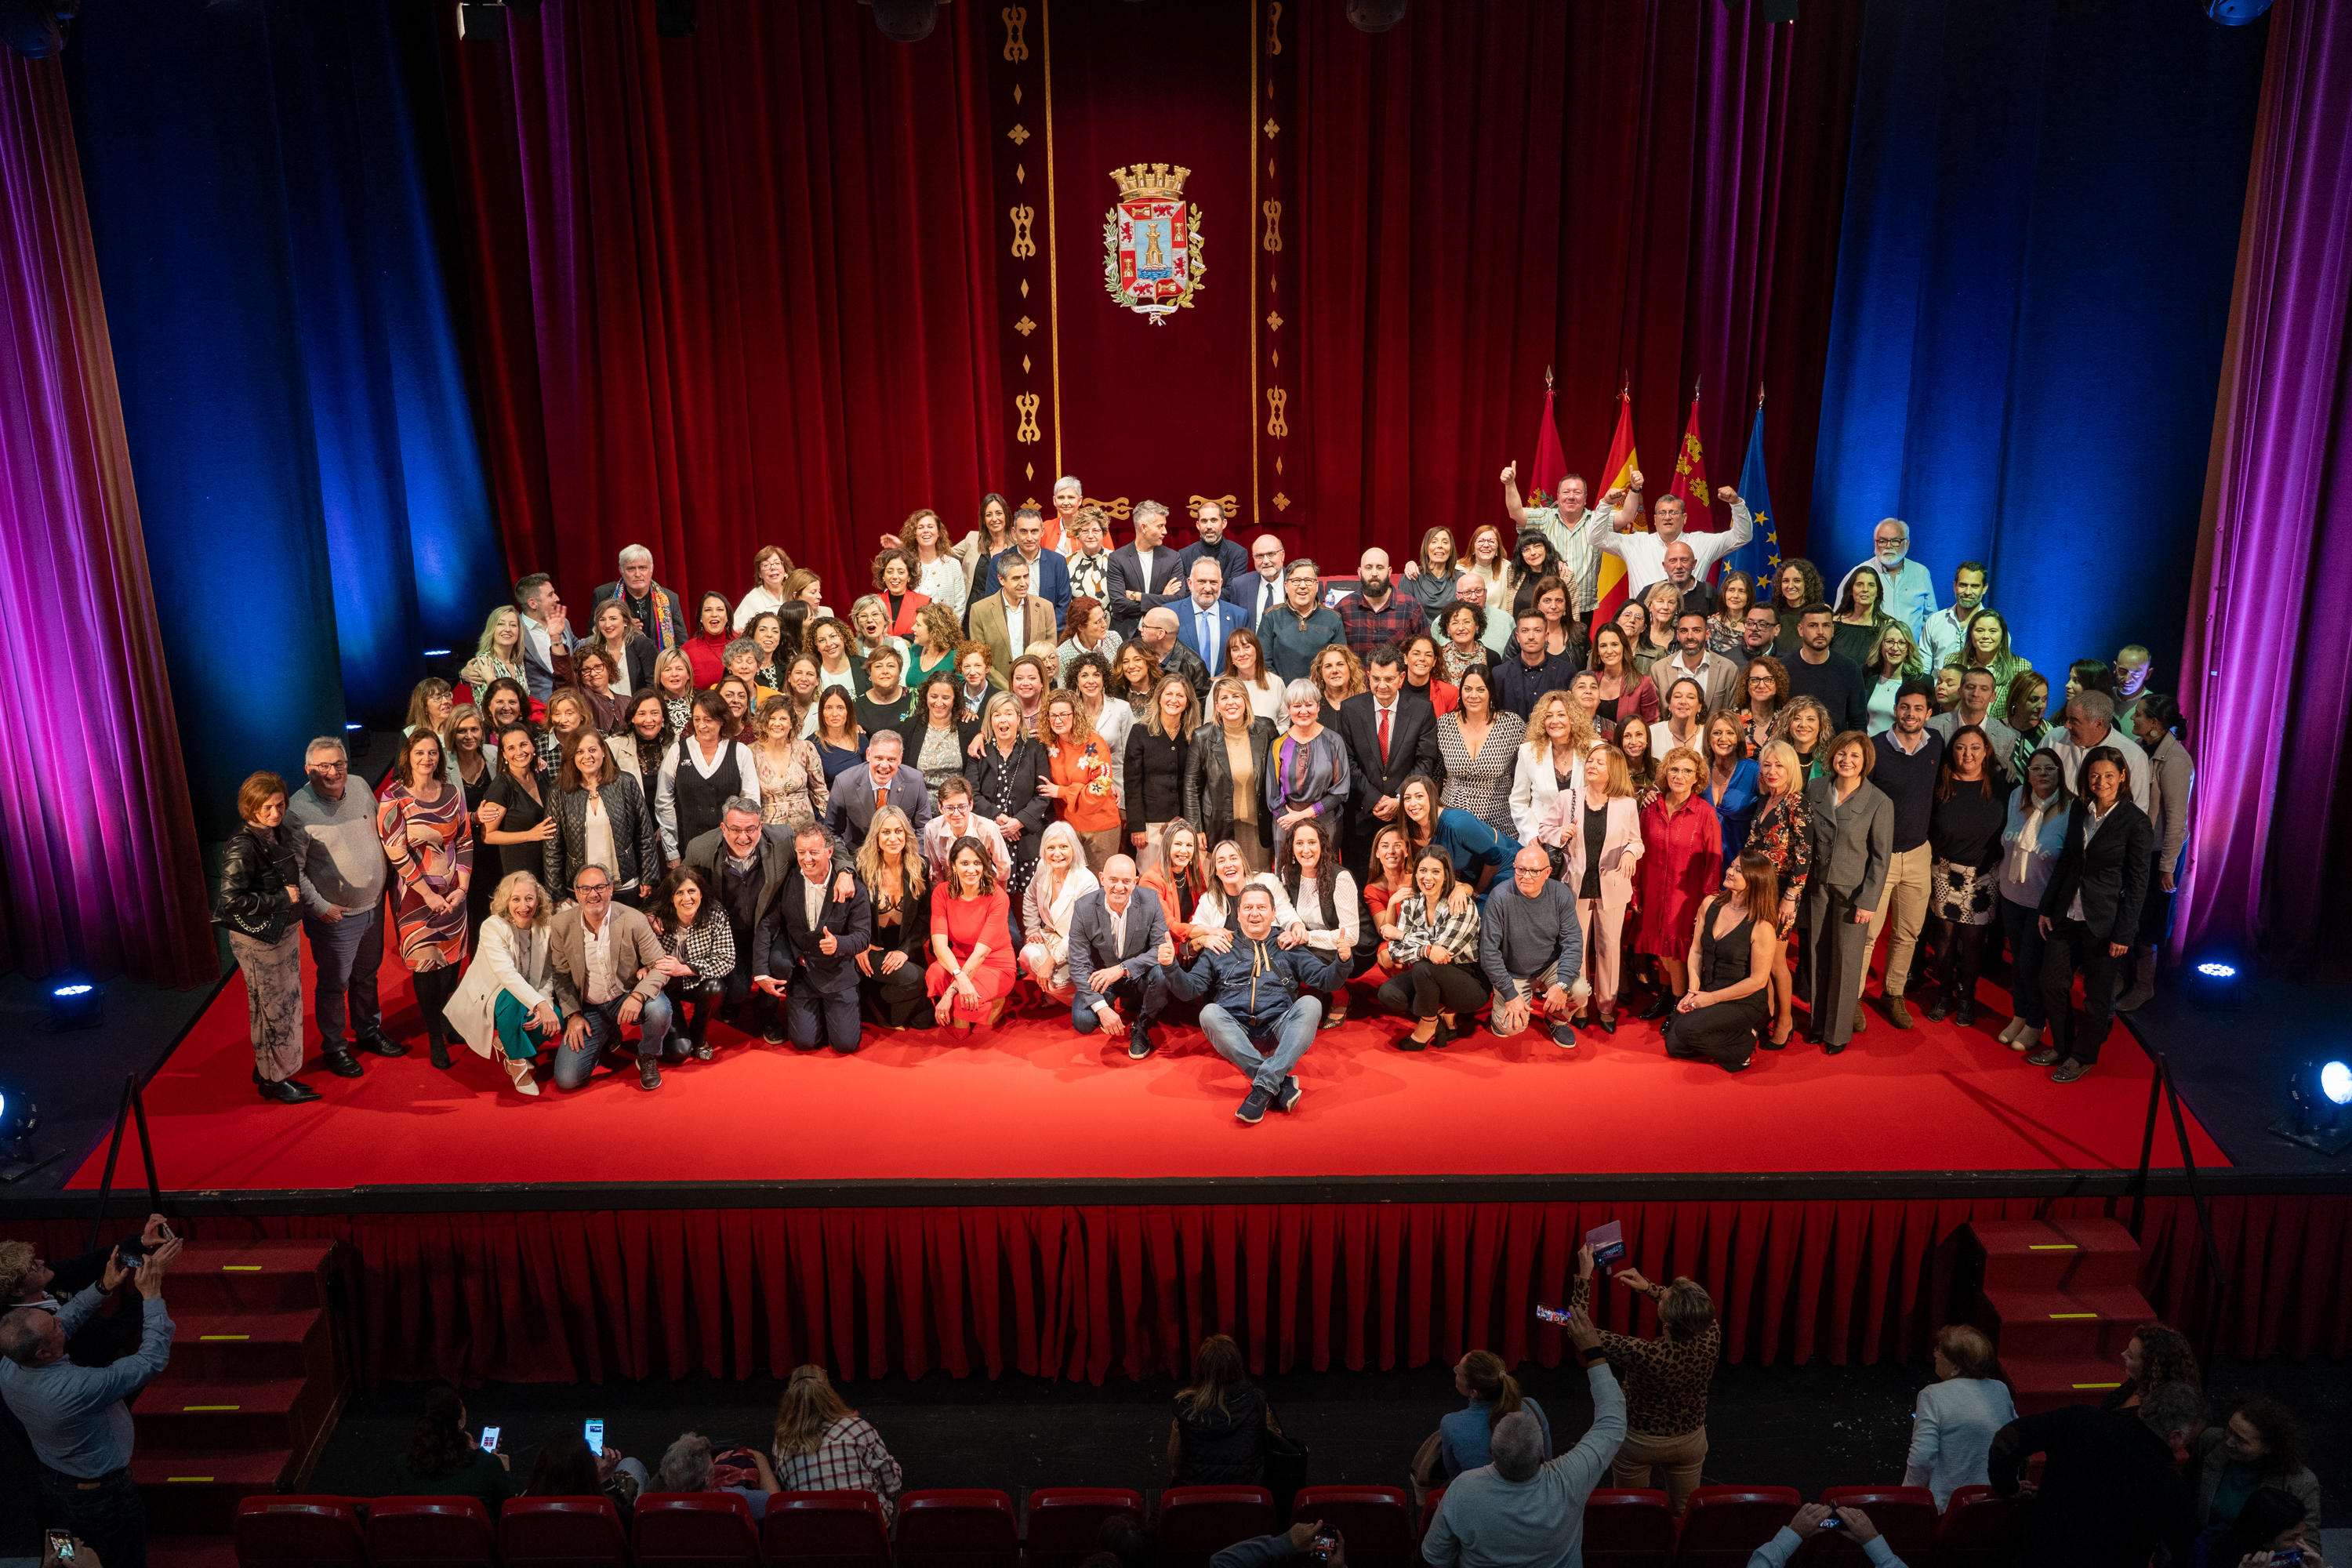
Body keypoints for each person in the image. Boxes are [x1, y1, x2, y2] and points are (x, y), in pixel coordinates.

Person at [0, 1228, 183, 1568]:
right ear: (43, 1352)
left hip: (55, 1488)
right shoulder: (78, 1387)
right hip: (102, 1498)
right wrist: (153, 1295)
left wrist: (103, 1287)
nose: (62, 1325)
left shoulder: (10, 1365)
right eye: (54, 1328)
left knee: (66, 1556)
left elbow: (66, 1320)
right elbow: (150, 1360)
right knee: (121, 1559)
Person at [1421, 1313, 1622, 1568]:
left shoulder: (1462, 1491)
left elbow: (1434, 1557)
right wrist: (1593, 1350)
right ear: (1540, 1453)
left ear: (1493, 1450)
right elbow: (1613, 1420)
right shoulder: (1571, 1479)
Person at [1162, 886, 1342, 1122]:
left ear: (1273, 912)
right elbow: (1189, 990)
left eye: (1261, 908)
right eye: (1247, 908)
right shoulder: (1221, 944)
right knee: (1209, 1013)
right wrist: (1170, 967)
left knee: (1311, 1004)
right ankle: (1279, 1081)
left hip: (1279, 1029)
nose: (1254, 913)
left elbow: (1327, 980)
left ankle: (1263, 1086)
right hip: (1237, 1032)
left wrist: (1343, 961)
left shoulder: (1286, 944)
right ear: (1238, 913)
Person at [1567, 1242, 1719, 1513]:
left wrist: (1585, 1276)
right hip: (1690, 1440)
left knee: (1632, 1509)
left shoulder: (1644, 1353)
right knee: (1685, 1512)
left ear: (1668, 1322)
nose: (1663, 1292)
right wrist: (1649, 1289)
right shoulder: (1712, 1333)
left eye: (1665, 1296)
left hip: (1638, 1442)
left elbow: (1580, 1328)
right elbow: (1690, 1311)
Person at [1987, 1381, 2202, 1568]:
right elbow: (2174, 1556)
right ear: (2174, 1436)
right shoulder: (2172, 1490)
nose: (2188, 1446)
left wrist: (2008, 1487)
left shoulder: (2080, 1420)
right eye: (2189, 1439)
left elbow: (2007, 1440)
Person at [2032, 748, 2151, 1083]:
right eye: (2095, 775)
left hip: (2105, 921)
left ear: (2123, 777)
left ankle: (2083, 1057)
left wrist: (2124, 935)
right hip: (2066, 913)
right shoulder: (2077, 810)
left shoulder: (2136, 822)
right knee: (2052, 982)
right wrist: (2046, 909)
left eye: (2109, 776)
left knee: (2097, 996)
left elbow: (2138, 882)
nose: (2101, 782)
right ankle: (2063, 1046)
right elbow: (2068, 863)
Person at [213, 775, 334, 1099]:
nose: (275, 812)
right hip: (261, 940)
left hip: (280, 933)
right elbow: (230, 900)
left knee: (281, 1004)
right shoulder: (243, 845)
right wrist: (282, 898)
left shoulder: (269, 832)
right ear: (250, 806)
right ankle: (273, 1080)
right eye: (266, 807)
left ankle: (270, 1069)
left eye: (280, 805)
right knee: (275, 1008)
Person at [286, 737, 404, 1069]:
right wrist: (320, 907)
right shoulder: (297, 811)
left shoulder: (360, 785)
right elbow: (292, 870)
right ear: (308, 770)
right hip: (336, 917)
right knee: (334, 984)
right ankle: (335, 1047)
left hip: (373, 906)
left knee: (367, 975)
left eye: (338, 764)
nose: (333, 772)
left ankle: (369, 1031)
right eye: (323, 766)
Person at [378, 731, 474, 1069]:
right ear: (408, 755)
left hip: (453, 890)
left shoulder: (451, 792)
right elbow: (397, 853)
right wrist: (430, 894)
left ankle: (446, 1018)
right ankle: (435, 1034)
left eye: (433, 753)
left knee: (450, 968)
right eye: (420, 752)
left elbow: (464, 840)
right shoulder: (393, 798)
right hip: (416, 897)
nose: (427, 759)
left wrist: (461, 888)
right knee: (426, 963)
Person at [547, 864, 675, 1091]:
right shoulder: (560, 925)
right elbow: (561, 976)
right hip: (590, 1008)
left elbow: (661, 966)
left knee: (659, 1009)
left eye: (600, 887)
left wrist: (637, 995)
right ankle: (606, 1034)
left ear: (611, 889)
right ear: (576, 893)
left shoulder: (633, 919)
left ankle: (647, 1055)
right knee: (568, 1080)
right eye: (585, 888)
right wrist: (573, 1015)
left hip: (624, 997)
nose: (593, 894)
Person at [1804, 731, 1893, 1052]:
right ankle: (1817, 1024)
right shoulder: (1815, 788)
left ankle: (1837, 1033)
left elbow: (1881, 859)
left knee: (1846, 961)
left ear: (1865, 761)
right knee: (1816, 956)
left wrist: (1869, 900)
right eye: (1842, 754)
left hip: (1854, 894)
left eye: (1855, 756)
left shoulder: (1879, 802)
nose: (1847, 761)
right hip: (1816, 887)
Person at [1862, 681, 1944, 1029]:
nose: (1911, 714)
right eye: (1905, 707)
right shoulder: (1874, 748)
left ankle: (1893, 994)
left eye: (1918, 708)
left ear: (1929, 713)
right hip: (1878, 857)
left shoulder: (1937, 744)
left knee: (1908, 932)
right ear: (1895, 710)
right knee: (1866, 934)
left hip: (1918, 854)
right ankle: (1850, 997)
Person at [1919, 727, 2011, 1025]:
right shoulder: (1939, 783)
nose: (1967, 754)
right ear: (1952, 751)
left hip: (1985, 874)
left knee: (1974, 939)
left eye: (1975, 747)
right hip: (1946, 870)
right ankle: (1944, 994)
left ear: (1986, 751)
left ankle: (1967, 998)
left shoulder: (2002, 785)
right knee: (1944, 935)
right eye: (1960, 747)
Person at [756, 823, 873, 1054]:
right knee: (804, 1043)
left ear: (830, 852)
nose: (806, 859)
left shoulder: (853, 888)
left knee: (845, 1045)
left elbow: (863, 937)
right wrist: (760, 971)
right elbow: (766, 926)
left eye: (813, 852)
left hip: (838, 975)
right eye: (801, 852)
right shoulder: (786, 882)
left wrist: (840, 944)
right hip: (803, 977)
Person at [1552, 744, 1642, 1034]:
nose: (1592, 765)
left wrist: (1630, 853)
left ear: (1612, 770)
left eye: (1600, 763)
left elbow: (1637, 841)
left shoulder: (1626, 804)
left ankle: (1606, 1006)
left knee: (1608, 948)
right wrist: (1558, 834)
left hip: (1611, 886)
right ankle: (1578, 1004)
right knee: (1576, 950)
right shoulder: (1569, 798)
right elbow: (1544, 829)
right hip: (1575, 886)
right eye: (1590, 760)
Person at [448, 870, 563, 1097]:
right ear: (506, 901)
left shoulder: (544, 927)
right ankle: (517, 1063)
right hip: (491, 994)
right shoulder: (493, 926)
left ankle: (508, 1043)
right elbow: (506, 975)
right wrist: (538, 1005)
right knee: (511, 999)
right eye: (516, 899)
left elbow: (548, 973)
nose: (524, 906)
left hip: (526, 994)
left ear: (538, 900)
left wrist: (545, 1004)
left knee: (556, 1017)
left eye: (529, 898)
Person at [1662, 850, 1779, 1073]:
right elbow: (1696, 951)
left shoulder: (1762, 926)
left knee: (1687, 1031)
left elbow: (1757, 981)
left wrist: (1708, 1000)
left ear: (1755, 881)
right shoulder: (1710, 903)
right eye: (1732, 865)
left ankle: (1743, 1044)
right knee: (1674, 1045)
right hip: (1708, 989)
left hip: (1743, 1000)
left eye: (1738, 870)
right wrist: (1693, 992)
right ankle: (1726, 1034)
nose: (1729, 871)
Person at [1633, 749, 1723, 1019]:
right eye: (1674, 769)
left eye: (1687, 771)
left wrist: (1708, 901)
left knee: (1676, 953)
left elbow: (1714, 861)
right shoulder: (1651, 809)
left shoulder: (1705, 814)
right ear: (1665, 773)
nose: (1680, 776)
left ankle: (1677, 1005)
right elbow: (1639, 851)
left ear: (1697, 778)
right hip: (1653, 890)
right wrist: (1636, 891)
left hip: (1685, 896)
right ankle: (1664, 995)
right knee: (1660, 949)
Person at [1339, 648, 1446, 877]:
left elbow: (1425, 761)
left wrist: (1400, 799)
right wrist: (1374, 798)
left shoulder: (1422, 709)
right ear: (1368, 675)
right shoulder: (1350, 709)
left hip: (1407, 817)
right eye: (1376, 679)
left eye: (1389, 679)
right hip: (1362, 815)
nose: (1382, 685)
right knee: (1361, 881)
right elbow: (1347, 762)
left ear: (1402, 678)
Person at [1994, 748, 2071, 1052]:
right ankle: (2020, 1015)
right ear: (2028, 774)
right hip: (2011, 896)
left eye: (2049, 769)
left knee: (2030, 965)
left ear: (2060, 773)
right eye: (2036, 769)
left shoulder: (2070, 809)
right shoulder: (2017, 798)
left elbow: (2069, 863)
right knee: (2016, 963)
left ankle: (2037, 1023)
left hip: (2042, 905)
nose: (2042, 774)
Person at [2122, 692, 2194, 1012]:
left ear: (2154, 724)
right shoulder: (2142, 750)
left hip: (2159, 853)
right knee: (2130, 915)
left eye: (2138, 715)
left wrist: (2167, 866)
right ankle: (2124, 980)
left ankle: (2144, 986)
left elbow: (2177, 819)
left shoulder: (2176, 760)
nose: (2132, 719)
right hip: (2140, 849)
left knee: (2149, 921)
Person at [1896, 1323, 2018, 1511]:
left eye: (1940, 1351)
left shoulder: (1933, 1395)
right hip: (1998, 1502)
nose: (1935, 1354)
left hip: (1953, 1507)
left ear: (1956, 1367)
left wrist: (1908, 1496)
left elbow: (1922, 1456)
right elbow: (2016, 1439)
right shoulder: (2000, 1389)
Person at [1376, 851, 1488, 1051]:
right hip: (1431, 972)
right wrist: (1426, 949)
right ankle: (1443, 1013)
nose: (1428, 878)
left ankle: (1428, 1022)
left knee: (1423, 965)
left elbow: (1443, 951)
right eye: (1423, 871)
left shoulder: (1461, 903)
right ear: (1416, 874)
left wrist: (1402, 936)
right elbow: (1396, 952)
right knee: (1389, 994)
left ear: (1446, 875)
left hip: (1469, 980)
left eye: (1436, 871)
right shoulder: (1411, 903)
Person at [1478, 846, 1584, 1051]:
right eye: (1521, 870)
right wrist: (1509, 994)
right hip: (1514, 973)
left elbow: (1573, 942)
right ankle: (1501, 1007)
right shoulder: (1499, 897)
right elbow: (1488, 953)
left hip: (1548, 968)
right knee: (1509, 1028)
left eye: (1534, 871)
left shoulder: (1561, 894)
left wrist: (1562, 985)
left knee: (1578, 990)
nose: (1526, 876)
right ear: (1514, 868)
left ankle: (1556, 1020)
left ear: (1547, 873)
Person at [544, 728, 661, 911]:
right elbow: (553, 847)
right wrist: (556, 891)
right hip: (580, 889)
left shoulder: (626, 783)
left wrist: (649, 877)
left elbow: (644, 835)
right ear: (572, 757)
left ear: (603, 752)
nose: (587, 756)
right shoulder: (558, 792)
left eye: (592, 750)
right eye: (579, 752)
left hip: (624, 884)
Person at [770, 1364, 904, 1519]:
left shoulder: (781, 1442)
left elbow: (788, 1487)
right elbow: (892, 1484)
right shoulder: (857, 1427)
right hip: (867, 1529)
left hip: (814, 1533)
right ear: (829, 1394)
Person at [1745, 742, 1810, 1048]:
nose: (1772, 771)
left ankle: (1786, 1020)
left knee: (1775, 962)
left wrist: (1791, 896)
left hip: (1782, 894)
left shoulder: (1797, 802)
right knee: (1759, 958)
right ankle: (1768, 1013)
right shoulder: (1765, 800)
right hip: (1757, 890)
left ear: (1791, 769)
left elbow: (1804, 855)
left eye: (1779, 766)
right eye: (1767, 765)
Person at [846, 807, 931, 1029]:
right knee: (916, 981)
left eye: (898, 831)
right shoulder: (860, 868)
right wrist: (859, 945)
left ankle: (877, 996)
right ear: (876, 836)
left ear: (906, 834)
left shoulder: (920, 866)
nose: (893, 838)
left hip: (903, 945)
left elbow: (924, 917)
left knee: (924, 1021)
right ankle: (875, 999)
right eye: (886, 832)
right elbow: (846, 914)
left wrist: (905, 950)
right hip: (872, 947)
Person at [1185, 676, 1279, 876]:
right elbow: (1192, 786)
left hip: (1257, 828)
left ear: (1245, 700)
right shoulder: (1202, 737)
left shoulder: (1267, 729)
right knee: (1224, 886)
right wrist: (1196, 827)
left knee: (1258, 884)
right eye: (1224, 698)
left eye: (1236, 696)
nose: (1231, 703)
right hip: (1219, 826)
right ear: (1217, 705)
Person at [641, 863, 735, 1061]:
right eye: (679, 893)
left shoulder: (715, 914)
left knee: (715, 988)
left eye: (692, 891)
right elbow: (636, 948)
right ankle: (678, 1035)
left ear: (701, 893)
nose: (687, 898)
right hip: (665, 986)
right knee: (678, 1053)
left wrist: (685, 968)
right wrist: (643, 967)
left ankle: (700, 1036)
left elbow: (727, 959)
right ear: (670, 897)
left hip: (695, 982)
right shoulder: (655, 918)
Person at [968, 691, 1051, 909]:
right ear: (990, 720)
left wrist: (1020, 820)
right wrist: (999, 818)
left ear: (1018, 718)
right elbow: (971, 794)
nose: (1003, 720)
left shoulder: (1035, 749)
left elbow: (1043, 793)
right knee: (987, 898)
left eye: (1008, 714)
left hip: (1025, 836)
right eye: (996, 715)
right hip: (988, 835)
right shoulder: (979, 751)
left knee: (1028, 901)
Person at [2189, 1396, 2320, 1529]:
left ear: (2269, 1447)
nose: (2228, 1442)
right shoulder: (2211, 1442)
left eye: (2241, 1440)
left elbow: (2308, 1544)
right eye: (2230, 1430)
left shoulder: (2301, 1484)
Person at [928, 837, 1017, 1029]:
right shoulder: (941, 893)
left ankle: (997, 1002)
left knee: (963, 1010)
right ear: (953, 866)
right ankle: (966, 1004)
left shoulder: (998, 896)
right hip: (959, 960)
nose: (972, 869)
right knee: (935, 973)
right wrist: (960, 978)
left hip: (994, 963)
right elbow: (939, 946)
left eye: (977, 863)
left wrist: (950, 992)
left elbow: (981, 953)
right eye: (965, 863)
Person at [1166, 1334, 1271, 1485]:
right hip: (1247, 1501)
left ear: (1201, 1369)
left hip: (1196, 1502)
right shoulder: (1256, 1403)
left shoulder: (1185, 1408)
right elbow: (1267, 1451)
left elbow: (1175, 1462)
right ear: (1237, 1366)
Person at [1039, 688, 1123, 874]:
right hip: (1067, 828)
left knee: (1099, 886)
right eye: (1052, 715)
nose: (1058, 720)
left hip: (1100, 828)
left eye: (1064, 714)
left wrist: (1062, 791)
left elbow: (1099, 790)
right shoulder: (1048, 744)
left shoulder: (1095, 744)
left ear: (1075, 715)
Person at [390, 1384, 513, 1509]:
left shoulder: (403, 1464)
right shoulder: (490, 1464)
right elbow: (507, 1514)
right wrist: (504, 1469)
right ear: (460, 1421)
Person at [1437, 667, 1525, 841]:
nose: (1473, 695)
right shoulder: (1444, 724)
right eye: (1468, 689)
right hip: (1452, 820)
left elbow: (1530, 768)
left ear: (1491, 692)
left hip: (1499, 822)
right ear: (1460, 691)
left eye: (1481, 689)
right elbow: (1437, 773)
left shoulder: (1512, 724)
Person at [1019, 822, 1100, 1005]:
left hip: (1080, 947)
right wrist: (1032, 928)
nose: (1057, 854)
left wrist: (1050, 962)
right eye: (1051, 848)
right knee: (1027, 955)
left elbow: (1080, 933)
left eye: (1064, 847)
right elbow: (1030, 896)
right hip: (1051, 937)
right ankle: (1057, 993)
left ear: (1074, 849)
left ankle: (1082, 999)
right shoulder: (1043, 866)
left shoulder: (1087, 881)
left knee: (1056, 980)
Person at [1124, 674, 1197, 866]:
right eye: (1169, 694)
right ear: (1159, 697)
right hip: (1150, 825)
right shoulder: (1140, 731)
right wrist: (1137, 826)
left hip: (1185, 822)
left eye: (1180, 695)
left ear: (1188, 702)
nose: (1174, 700)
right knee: (1150, 879)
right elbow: (1132, 784)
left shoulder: (1194, 735)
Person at [1832, 518, 1938, 639]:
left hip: (1912, 654)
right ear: (1874, 543)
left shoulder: (1921, 572)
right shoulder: (1859, 574)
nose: (1888, 546)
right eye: (1882, 541)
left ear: (1907, 543)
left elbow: (1930, 620)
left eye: (1895, 541)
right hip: (1871, 653)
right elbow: (1839, 620)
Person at [825, 729, 932, 846]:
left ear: (900, 759)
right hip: (859, 854)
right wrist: (845, 863)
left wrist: (915, 859)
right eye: (879, 758)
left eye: (891, 759)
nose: (885, 766)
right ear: (868, 755)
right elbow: (832, 832)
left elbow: (924, 827)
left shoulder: (915, 780)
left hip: (901, 852)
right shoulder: (844, 783)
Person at [1784, 604, 1871, 735]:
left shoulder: (1850, 669)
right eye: (1813, 625)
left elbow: (1858, 722)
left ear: (1833, 629)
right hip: (1790, 750)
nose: (1820, 632)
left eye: (1826, 625)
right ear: (1800, 630)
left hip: (1835, 752)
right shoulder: (1783, 668)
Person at [1109, 499, 1185, 637]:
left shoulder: (1173, 558)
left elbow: (1179, 599)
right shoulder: (1117, 558)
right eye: (1160, 526)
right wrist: (1162, 598)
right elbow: (1119, 604)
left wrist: (1137, 596)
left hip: (1162, 634)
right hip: (1127, 635)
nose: (1165, 531)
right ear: (1144, 527)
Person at [1929, 666, 2023, 778]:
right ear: (1960, 692)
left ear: (1993, 697)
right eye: (1970, 687)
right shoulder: (1932, 726)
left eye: (1984, 689)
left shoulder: (2007, 737)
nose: (1976, 694)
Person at [594, 543, 688, 652]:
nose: (638, 574)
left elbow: (681, 644)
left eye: (643, 568)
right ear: (621, 571)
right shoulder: (603, 595)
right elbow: (594, 637)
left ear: (651, 569)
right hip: (619, 663)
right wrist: (619, 628)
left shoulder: (670, 598)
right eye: (631, 569)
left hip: (660, 665)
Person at [1338, 547, 1427, 659]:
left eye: (1380, 568)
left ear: (1389, 572)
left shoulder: (1411, 608)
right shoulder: (1343, 609)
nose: (1374, 573)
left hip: (1400, 676)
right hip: (1357, 676)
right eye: (1369, 568)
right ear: (1360, 572)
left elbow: (1426, 651)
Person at [1491, 611, 1577, 723]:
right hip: (1514, 739)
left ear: (1546, 636)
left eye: (1537, 630)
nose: (1531, 637)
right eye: (1525, 631)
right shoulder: (1499, 674)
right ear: (1517, 637)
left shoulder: (1566, 671)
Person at [1651, 608, 1742, 715]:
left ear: (1707, 634)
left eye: (1697, 630)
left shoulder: (1728, 669)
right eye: (1684, 631)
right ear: (1678, 635)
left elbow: (1733, 715)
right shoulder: (1658, 670)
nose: (1690, 636)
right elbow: (1656, 717)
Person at [1917, 561, 1993, 671]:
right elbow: (1923, 667)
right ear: (1954, 586)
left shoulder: (1995, 627)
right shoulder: (1935, 621)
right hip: (1938, 687)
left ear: (1984, 589)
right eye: (1963, 585)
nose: (1968, 592)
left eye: (1975, 586)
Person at [1860, 621, 1921, 735]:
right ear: (1881, 646)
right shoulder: (1867, 675)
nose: (1895, 648)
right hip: (1868, 747)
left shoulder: (1919, 682)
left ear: (1908, 649)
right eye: (1889, 642)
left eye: (1902, 643)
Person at [1062, 506, 1116, 612]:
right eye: (1085, 531)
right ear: (1077, 534)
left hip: (1111, 625)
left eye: (1096, 531)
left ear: (1103, 533)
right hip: (1078, 625)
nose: (1090, 536)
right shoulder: (1065, 562)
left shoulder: (1117, 560)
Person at [1737, 656, 1788, 757]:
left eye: (1768, 679)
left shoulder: (1787, 719)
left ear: (1778, 684)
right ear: (1746, 685)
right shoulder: (1733, 719)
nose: (1761, 685)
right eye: (1755, 680)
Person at [1706, 572, 1756, 657]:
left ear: (1749, 596)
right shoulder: (1710, 624)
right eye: (1731, 590)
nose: (1735, 595)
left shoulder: (1755, 628)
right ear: (1724, 593)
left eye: (1742, 591)